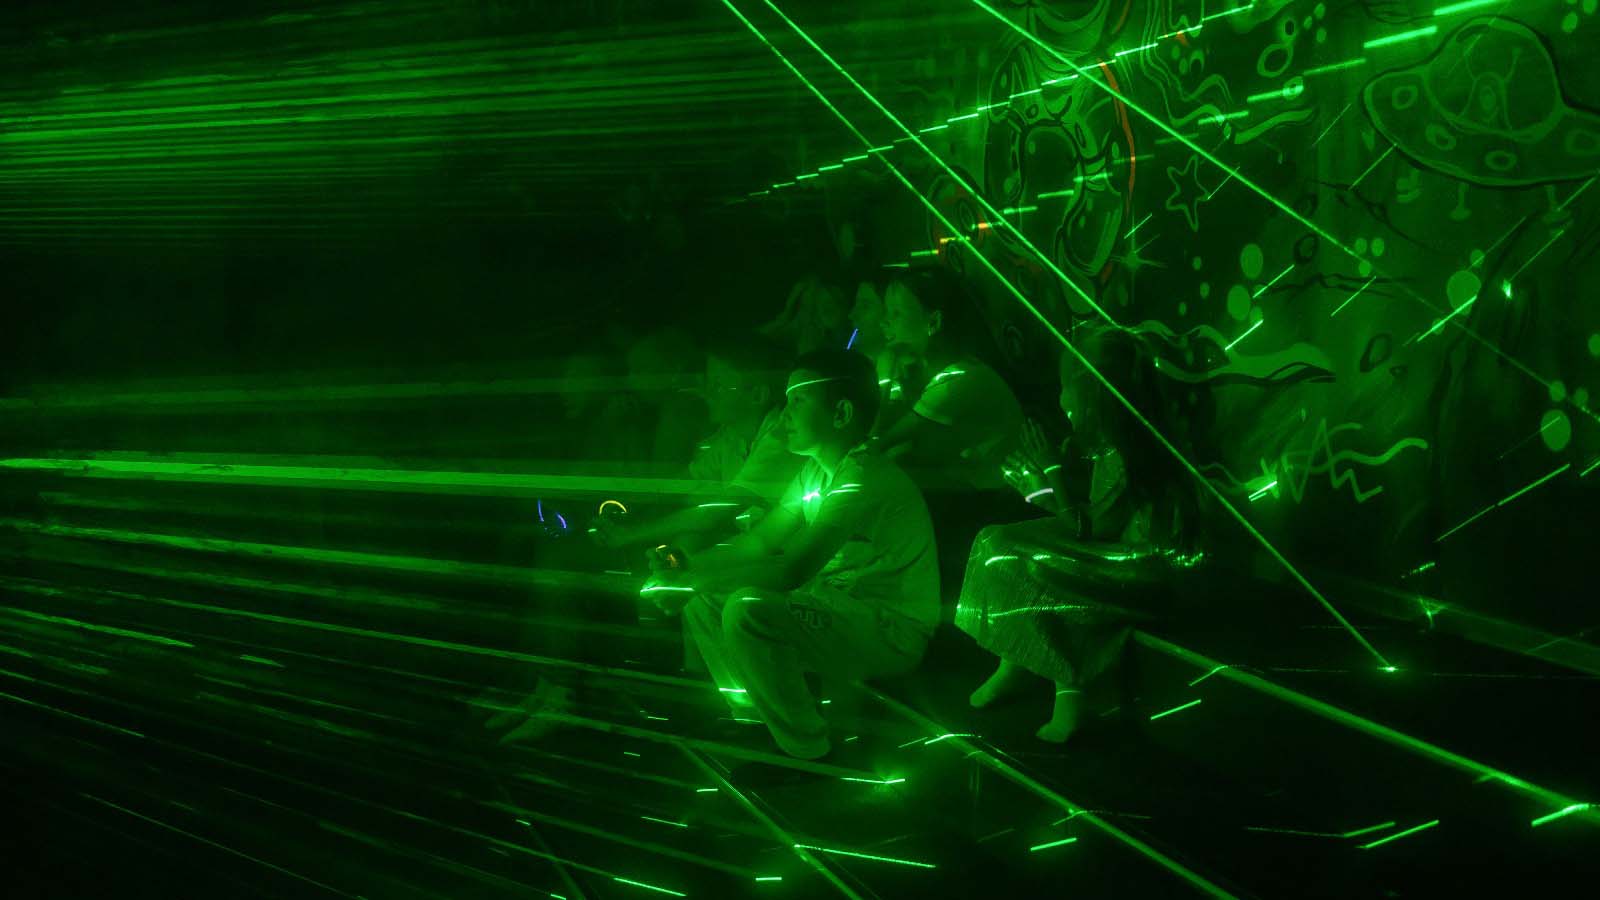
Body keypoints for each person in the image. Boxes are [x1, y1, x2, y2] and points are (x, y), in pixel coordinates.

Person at [646, 349, 939, 760]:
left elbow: (792, 569)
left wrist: (692, 579)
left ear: (841, 413)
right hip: (837, 607)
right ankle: (755, 720)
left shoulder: (862, 477)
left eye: (798, 400)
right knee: (704, 602)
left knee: (746, 608)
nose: (784, 414)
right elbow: (760, 541)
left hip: (889, 628)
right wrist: (685, 567)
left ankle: (806, 749)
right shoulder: (815, 472)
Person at [956, 327, 1209, 743]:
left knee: (1033, 564)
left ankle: (1069, 693)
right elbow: (1084, 521)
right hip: (1116, 556)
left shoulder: (1133, 450)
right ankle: (1014, 661)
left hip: (1143, 573)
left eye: (1066, 389)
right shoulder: (1112, 445)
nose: (1062, 401)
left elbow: (1090, 529)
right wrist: (1039, 488)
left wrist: (1051, 472)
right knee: (995, 542)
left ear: (1094, 395)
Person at [593, 336, 799, 554]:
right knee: (689, 542)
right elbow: (683, 483)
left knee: (687, 546)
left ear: (757, 395)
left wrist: (628, 534)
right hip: (760, 550)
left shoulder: (781, 439)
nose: (706, 393)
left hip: (790, 556)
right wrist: (625, 508)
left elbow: (713, 514)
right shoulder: (731, 437)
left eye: (718, 385)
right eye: (707, 383)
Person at [871, 267, 1023, 491]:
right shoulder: (932, 373)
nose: (883, 322)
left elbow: (876, 444)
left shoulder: (958, 379)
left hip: (1010, 496)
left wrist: (885, 368)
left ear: (933, 322)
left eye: (895, 313)